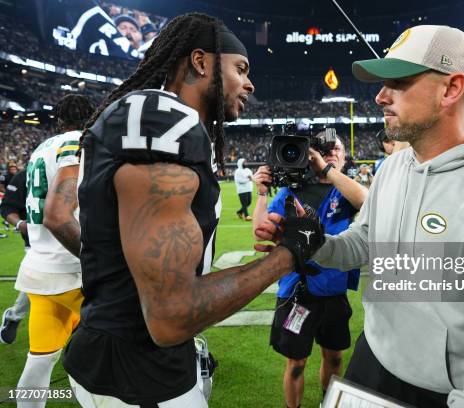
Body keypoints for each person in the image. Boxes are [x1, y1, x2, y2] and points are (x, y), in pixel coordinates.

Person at [258, 25, 464, 407]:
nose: (380, 96)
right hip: (371, 359)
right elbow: (363, 243)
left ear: (451, 89)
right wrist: (316, 243)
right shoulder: (392, 168)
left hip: (443, 390)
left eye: (397, 82)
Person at [62, 13, 315, 407]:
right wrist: (290, 255)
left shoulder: (155, 117)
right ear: (200, 62)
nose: (249, 83)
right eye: (240, 68)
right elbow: (170, 317)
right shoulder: (163, 121)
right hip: (139, 372)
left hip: (111, 351)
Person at [252, 135, 367, 408]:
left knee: (335, 357)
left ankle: (328, 403)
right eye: (322, 151)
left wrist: (326, 169)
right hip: (297, 290)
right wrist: (262, 193)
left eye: (335, 148)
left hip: (333, 288)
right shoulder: (293, 190)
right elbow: (261, 232)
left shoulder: (345, 191)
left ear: (344, 155)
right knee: (296, 363)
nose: (329, 154)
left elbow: (365, 201)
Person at [13, 94, 94, 408]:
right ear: (92, 118)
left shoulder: (41, 148)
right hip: (72, 270)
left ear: (60, 120)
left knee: (41, 358)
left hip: (38, 267)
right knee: (125, 346)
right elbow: (65, 209)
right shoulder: (76, 144)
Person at [0, 169, 30, 345]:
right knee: (37, 280)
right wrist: (20, 224)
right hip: (37, 241)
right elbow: (7, 207)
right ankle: (13, 317)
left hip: (76, 236)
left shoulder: (82, 168)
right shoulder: (26, 174)